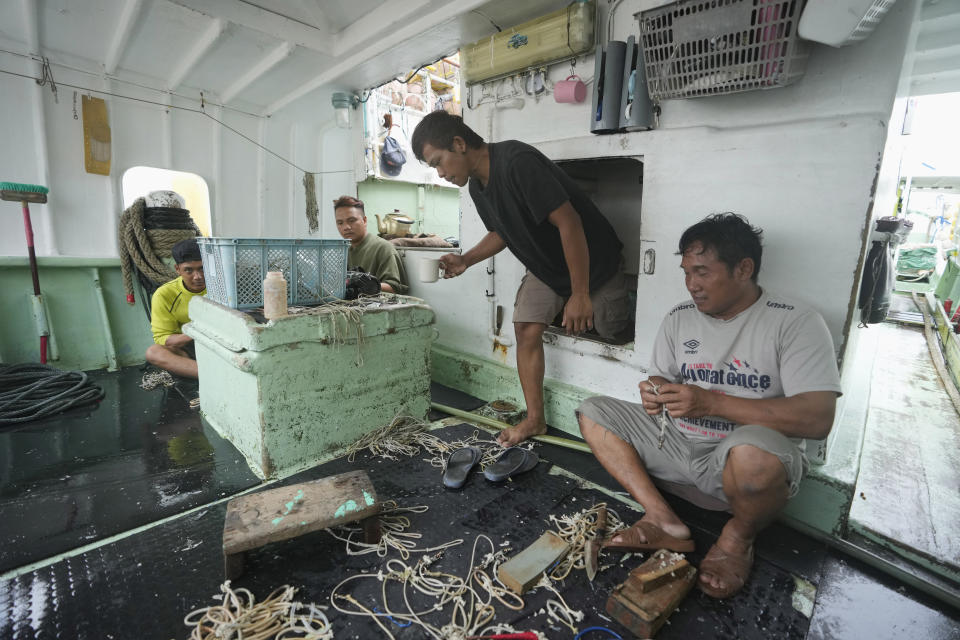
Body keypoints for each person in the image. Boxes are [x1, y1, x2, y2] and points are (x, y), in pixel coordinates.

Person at [576, 213, 841, 599]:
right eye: (686, 272)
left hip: (734, 463)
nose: (691, 285)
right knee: (593, 411)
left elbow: (817, 419)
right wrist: (656, 390)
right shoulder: (680, 317)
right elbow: (661, 377)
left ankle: (736, 538)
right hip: (677, 444)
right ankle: (663, 519)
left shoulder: (795, 322)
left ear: (743, 269)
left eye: (702, 271)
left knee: (752, 455)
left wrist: (712, 403)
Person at [411, 111, 631, 447]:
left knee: (607, 331)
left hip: (594, 264)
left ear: (459, 144)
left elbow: (569, 223)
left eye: (439, 162)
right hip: (546, 268)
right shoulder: (477, 188)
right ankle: (535, 420)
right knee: (525, 327)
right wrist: (466, 260)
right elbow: (502, 232)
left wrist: (580, 294)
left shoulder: (517, 162)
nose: (440, 174)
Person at [145, 238, 207, 379]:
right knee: (153, 352)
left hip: (225, 345)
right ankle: (213, 376)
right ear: (177, 269)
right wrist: (198, 333)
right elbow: (163, 338)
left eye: (202, 268)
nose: (198, 276)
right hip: (190, 347)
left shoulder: (224, 287)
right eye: (189, 270)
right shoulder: (164, 294)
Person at [333, 195, 409, 294]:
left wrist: (367, 285)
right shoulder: (343, 251)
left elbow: (394, 288)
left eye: (351, 221)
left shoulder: (383, 248)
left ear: (364, 221)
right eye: (340, 223)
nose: (346, 227)